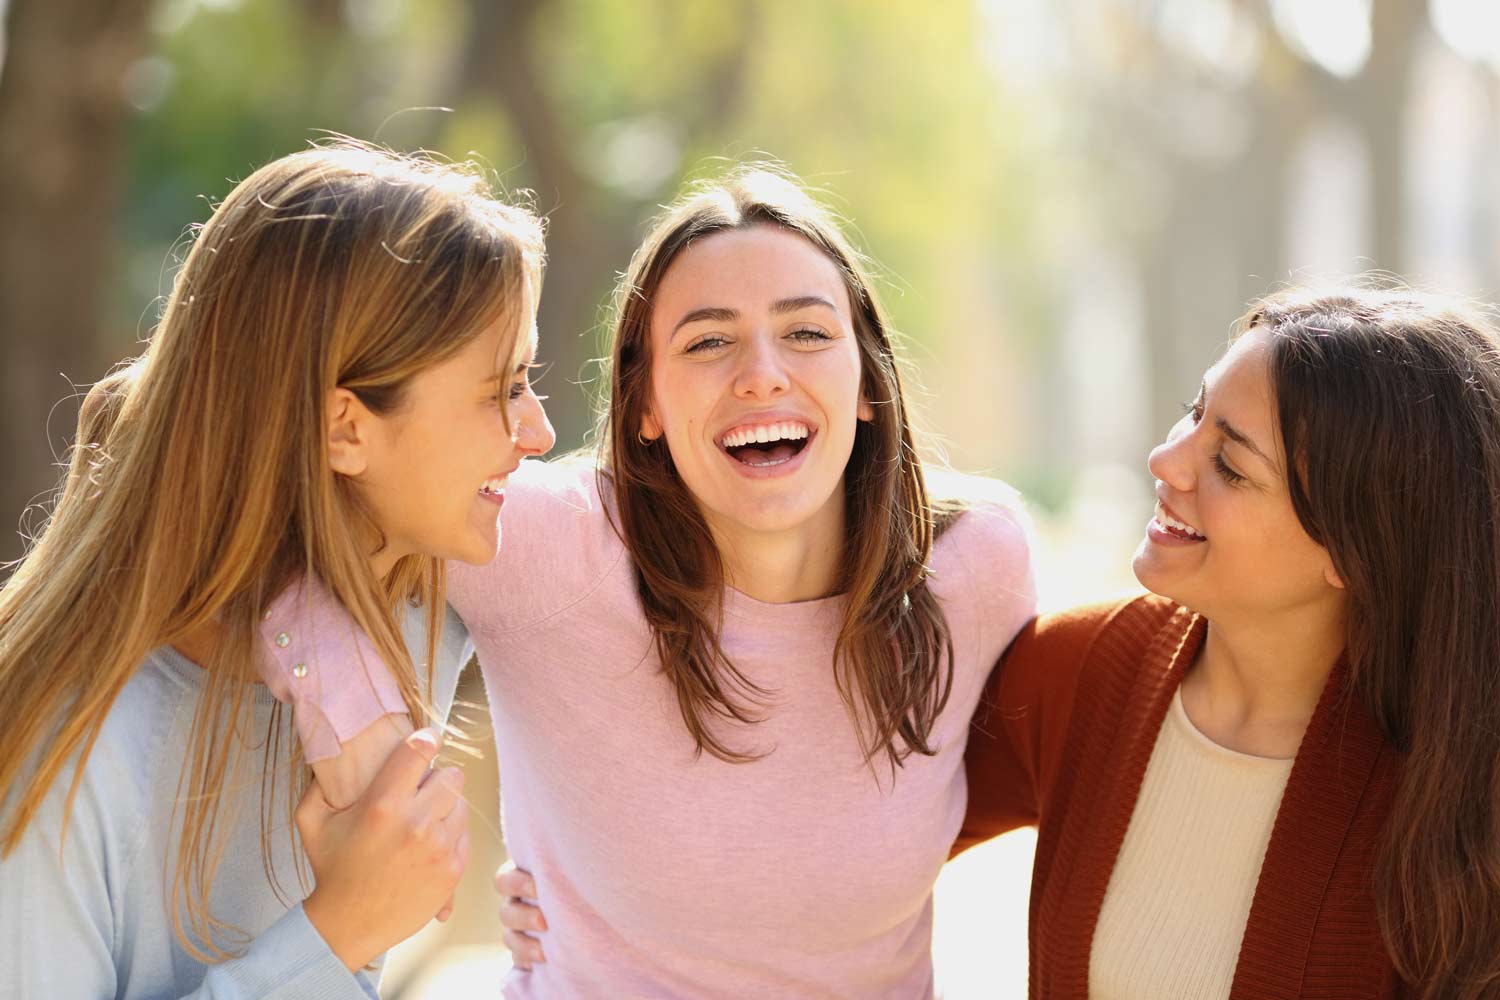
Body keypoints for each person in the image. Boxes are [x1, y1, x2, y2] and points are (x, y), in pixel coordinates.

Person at [257, 166, 1037, 998]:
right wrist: (367, 752)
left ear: (869, 384)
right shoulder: (545, 546)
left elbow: (974, 789)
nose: (763, 374)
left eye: (807, 333)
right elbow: (300, 536)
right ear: (645, 406)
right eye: (707, 341)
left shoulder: (971, 567)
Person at [0, 142, 551, 997]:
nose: (539, 434)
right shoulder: (59, 756)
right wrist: (337, 932)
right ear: (344, 429)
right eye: (502, 391)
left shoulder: (423, 605)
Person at [955, 287, 1500, 998]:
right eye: (1194, 413)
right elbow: (848, 840)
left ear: (1358, 551)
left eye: (1231, 466)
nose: (1166, 460)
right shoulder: (1079, 670)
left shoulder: (1458, 782)